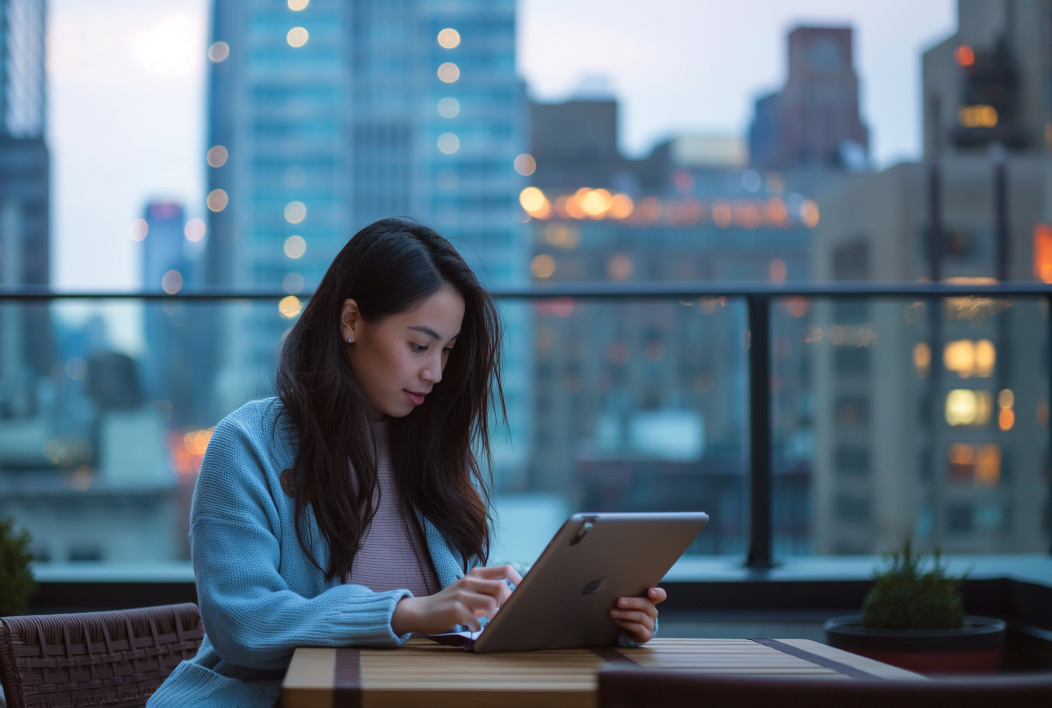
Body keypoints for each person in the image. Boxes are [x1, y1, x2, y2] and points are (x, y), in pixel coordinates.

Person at [149, 219, 665, 708]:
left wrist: (597, 612)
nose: (435, 372)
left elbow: (467, 610)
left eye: (448, 351)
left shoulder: (431, 450)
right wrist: (404, 612)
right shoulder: (247, 445)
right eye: (419, 345)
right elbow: (244, 623)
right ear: (351, 321)